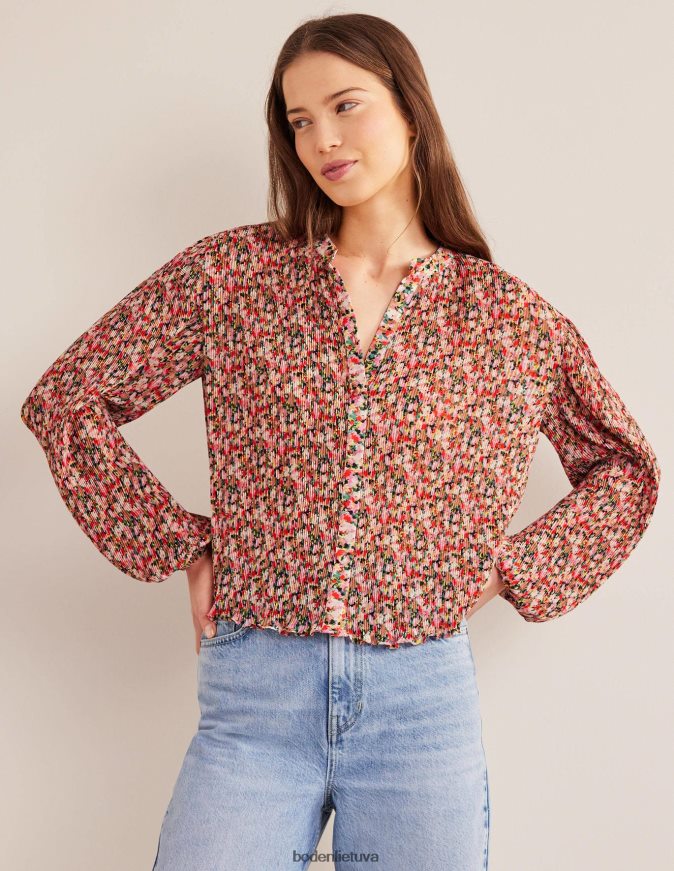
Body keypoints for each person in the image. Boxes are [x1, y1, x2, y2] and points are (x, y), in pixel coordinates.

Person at [19, 13, 660, 871]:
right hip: (256, 698)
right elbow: (67, 399)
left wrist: (510, 571)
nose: (321, 139)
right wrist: (179, 545)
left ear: (410, 110)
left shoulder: (509, 319)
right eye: (299, 121)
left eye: (345, 105)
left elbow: (626, 469)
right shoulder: (232, 276)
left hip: (420, 708)